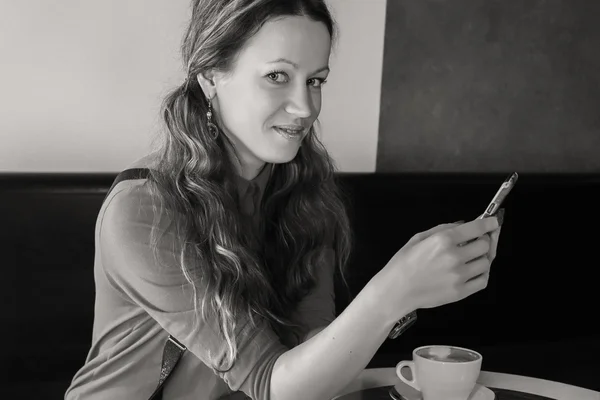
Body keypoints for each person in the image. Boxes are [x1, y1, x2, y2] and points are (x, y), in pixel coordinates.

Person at [65, 1, 502, 399]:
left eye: (315, 80)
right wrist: (394, 292)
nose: (305, 107)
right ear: (210, 76)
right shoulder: (144, 209)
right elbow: (272, 385)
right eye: (277, 76)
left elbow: (314, 357)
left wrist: (413, 288)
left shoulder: (303, 191)